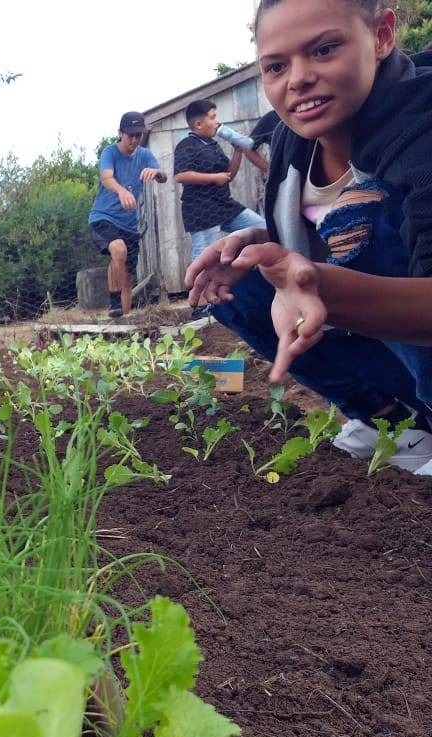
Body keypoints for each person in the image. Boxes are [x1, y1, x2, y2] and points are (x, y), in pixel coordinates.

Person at [186, 0, 432, 472]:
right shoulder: (291, 141)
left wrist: (326, 288)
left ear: (381, 36)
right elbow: (310, 236)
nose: (297, 78)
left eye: (323, 50)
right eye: (276, 66)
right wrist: (260, 242)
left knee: (359, 218)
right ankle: (396, 424)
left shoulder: (423, 127)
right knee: (236, 281)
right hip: (393, 345)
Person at [88, 111, 167, 319]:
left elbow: (163, 176)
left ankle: (122, 321)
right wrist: (121, 190)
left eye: (138, 135)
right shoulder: (110, 152)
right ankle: (113, 303)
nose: (134, 140)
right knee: (118, 249)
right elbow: (106, 177)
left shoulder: (144, 154)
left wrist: (157, 173)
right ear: (120, 133)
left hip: (129, 225)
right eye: (130, 135)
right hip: (103, 217)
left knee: (127, 275)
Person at [174, 99, 268, 262]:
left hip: (224, 205)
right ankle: (197, 287)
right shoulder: (187, 145)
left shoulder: (212, 145)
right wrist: (214, 178)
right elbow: (181, 176)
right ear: (198, 124)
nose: (217, 122)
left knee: (263, 227)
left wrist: (238, 151)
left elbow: (228, 176)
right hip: (201, 209)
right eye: (213, 117)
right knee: (204, 256)